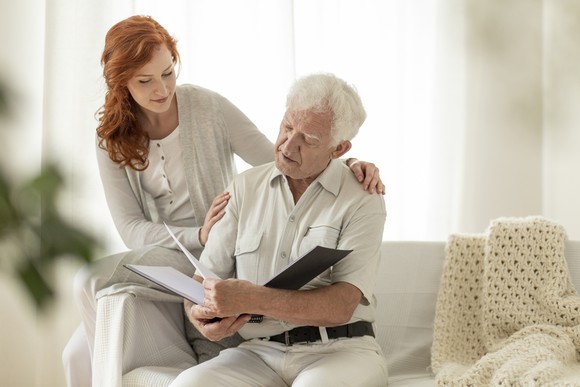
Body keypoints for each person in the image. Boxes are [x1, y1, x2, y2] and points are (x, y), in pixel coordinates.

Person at [61, 15, 385, 387]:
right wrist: (199, 235)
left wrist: (346, 166)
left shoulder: (208, 107)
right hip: (177, 249)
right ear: (121, 83)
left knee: (80, 342)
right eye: (145, 81)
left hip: (223, 247)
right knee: (83, 308)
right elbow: (131, 228)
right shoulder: (111, 138)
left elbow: (279, 159)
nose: (162, 89)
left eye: (168, 72)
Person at [170, 73, 388, 386]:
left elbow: (341, 305)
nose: (288, 144)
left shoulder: (363, 198)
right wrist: (200, 316)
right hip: (258, 353)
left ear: (339, 148)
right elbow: (203, 277)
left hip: (341, 350)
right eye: (287, 127)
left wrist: (252, 298)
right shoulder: (245, 187)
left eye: (309, 140)